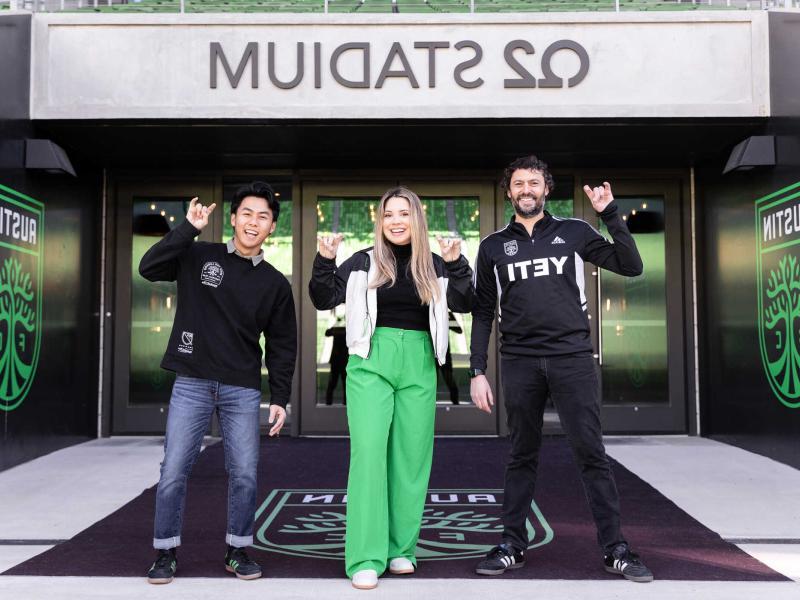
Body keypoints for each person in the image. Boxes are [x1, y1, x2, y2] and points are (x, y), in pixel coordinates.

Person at [469, 155, 653, 583]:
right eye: (519, 183)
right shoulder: (494, 246)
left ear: (546, 189)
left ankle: (615, 549)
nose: (526, 189)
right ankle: (512, 544)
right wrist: (477, 370)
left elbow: (631, 265)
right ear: (509, 190)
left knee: (591, 453)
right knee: (520, 455)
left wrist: (610, 214)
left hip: (572, 359)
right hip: (519, 362)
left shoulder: (574, 231)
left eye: (534, 182)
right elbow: (482, 311)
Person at [309, 187, 473, 590]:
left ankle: (401, 549)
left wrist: (457, 263)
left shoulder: (434, 264)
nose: (396, 221)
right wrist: (325, 259)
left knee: (411, 458)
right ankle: (365, 556)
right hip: (371, 359)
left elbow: (467, 301)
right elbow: (322, 296)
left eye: (404, 213)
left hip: (419, 361)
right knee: (368, 454)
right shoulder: (364, 260)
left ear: (416, 218)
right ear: (379, 221)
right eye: (388, 215)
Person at [139, 182, 296, 584]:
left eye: (263, 216)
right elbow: (149, 267)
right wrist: (187, 229)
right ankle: (165, 551)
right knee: (173, 467)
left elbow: (282, 345)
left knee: (244, 471)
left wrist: (280, 397)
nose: (253, 222)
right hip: (192, 381)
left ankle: (238, 548)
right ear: (233, 218)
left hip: (241, 386)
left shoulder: (276, 284)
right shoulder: (197, 254)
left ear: (272, 227)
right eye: (247, 213)